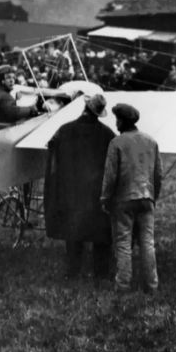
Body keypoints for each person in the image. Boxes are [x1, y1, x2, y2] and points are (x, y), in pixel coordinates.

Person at [43, 94, 115, 280]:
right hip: (95, 192)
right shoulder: (107, 134)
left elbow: (51, 147)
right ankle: (101, 273)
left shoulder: (64, 130)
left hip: (70, 190)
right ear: (98, 113)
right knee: (100, 230)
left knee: (73, 230)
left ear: (84, 109)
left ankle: (73, 271)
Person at [99, 103, 163, 294]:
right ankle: (152, 285)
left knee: (123, 242)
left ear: (121, 121)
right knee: (147, 243)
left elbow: (110, 176)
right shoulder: (151, 141)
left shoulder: (116, 143)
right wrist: (154, 196)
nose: (116, 122)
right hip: (147, 197)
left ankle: (123, 285)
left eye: (117, 119)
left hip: (124, 199)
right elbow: (158, 174)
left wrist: (105, 198)